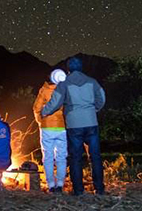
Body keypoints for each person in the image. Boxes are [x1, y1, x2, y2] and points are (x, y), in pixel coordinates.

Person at [42, 57, 106, 196]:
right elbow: (101, 97)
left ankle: (78, 190)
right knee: (95, 157)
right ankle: (99, 189)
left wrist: (44, 112)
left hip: (74, 125)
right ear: (81, 67)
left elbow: (55, 102)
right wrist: (94, 109)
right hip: (91, 123)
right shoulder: (92, 81)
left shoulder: (64, 83)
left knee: (76, 157)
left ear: (68, 69)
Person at [33, 69, 67, 193]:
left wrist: (40, 122)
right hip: (61, 127)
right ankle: (60, 184)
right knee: (61, 157)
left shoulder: (44, 90)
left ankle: (51, 185)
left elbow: (36, 108)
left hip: (47, 127)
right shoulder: (64, 91)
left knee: (47, 157)